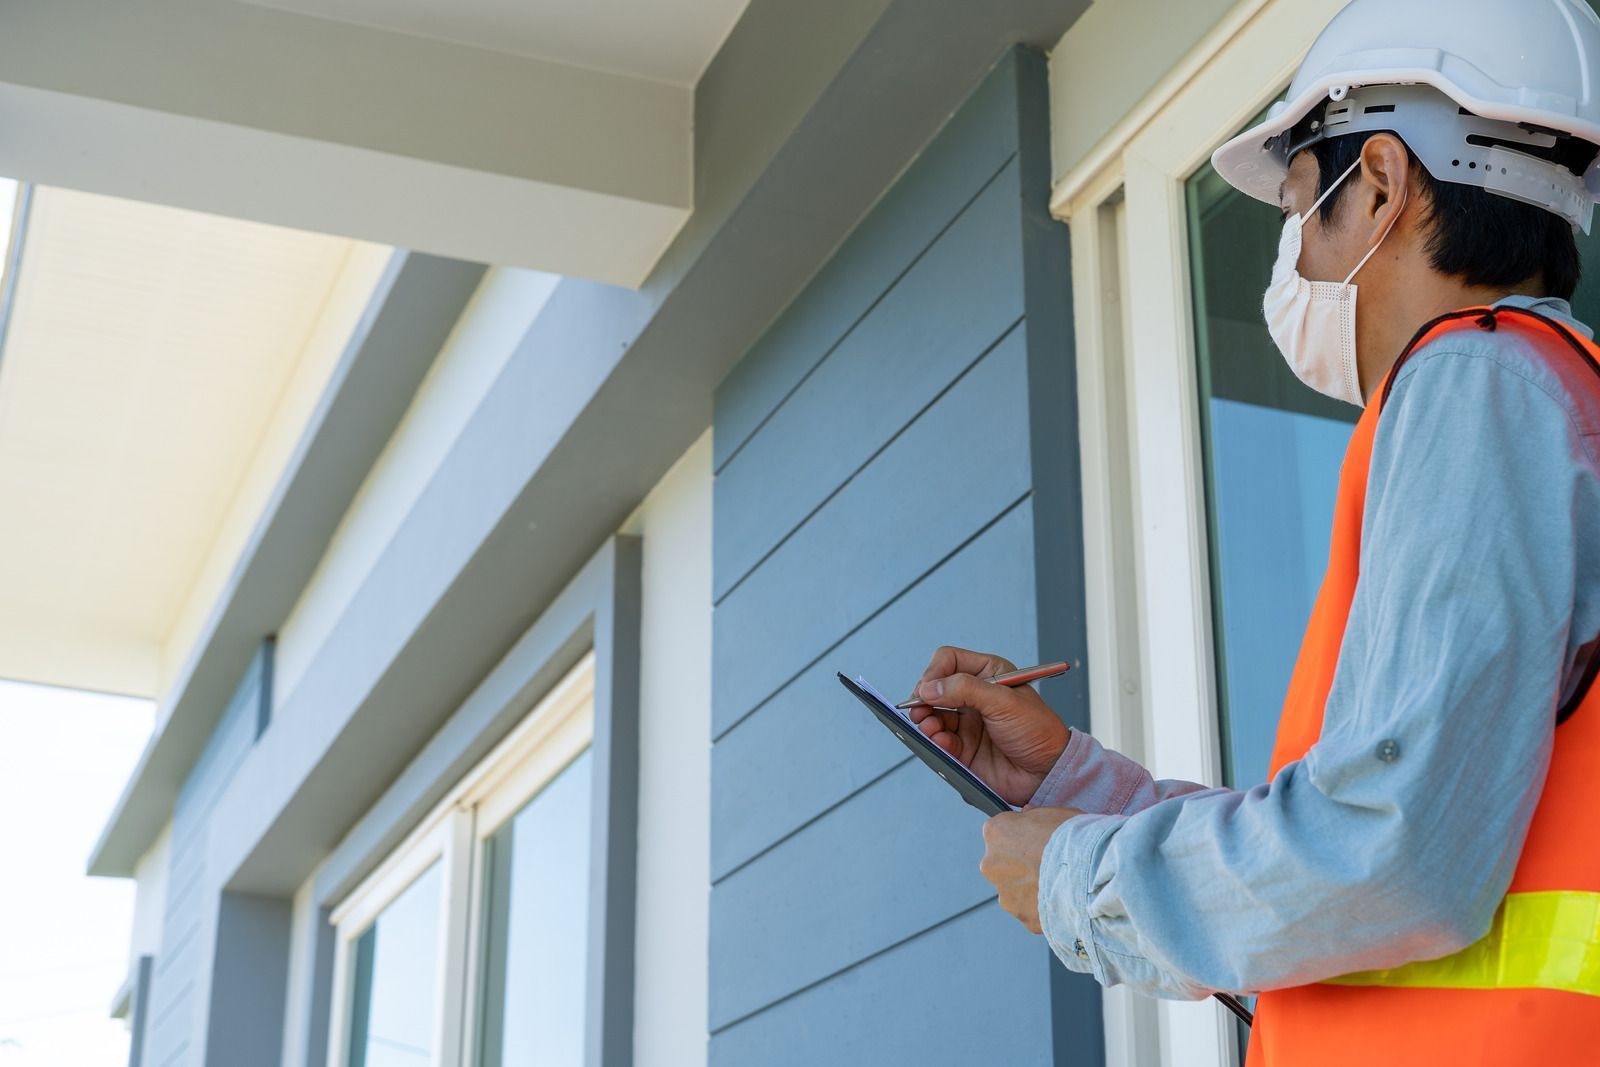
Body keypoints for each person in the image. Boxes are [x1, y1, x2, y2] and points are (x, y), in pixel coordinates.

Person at [905, 1, 1600, 1062]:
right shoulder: (1531, 393)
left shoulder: (1477, 384)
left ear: (1378, 184)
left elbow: (1393, 850)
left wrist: (1080, 877)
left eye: (1297, 205)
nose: (1291, 256)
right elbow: (1378, 831)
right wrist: (1075, 789)